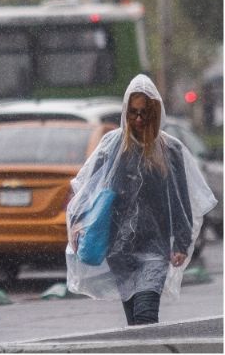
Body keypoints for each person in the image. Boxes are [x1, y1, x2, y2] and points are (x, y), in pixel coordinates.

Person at [66, 74, 217, 326]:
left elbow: (180, 201)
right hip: (120, 249)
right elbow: (89, 189)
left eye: (144, 113)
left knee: (146, 314)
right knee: (135, 322)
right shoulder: (112, 147)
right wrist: (78, 221)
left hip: (155, 249)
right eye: (133, 113)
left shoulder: (170, 150)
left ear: (156, 114)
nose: (138, 119)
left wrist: (181, 242)